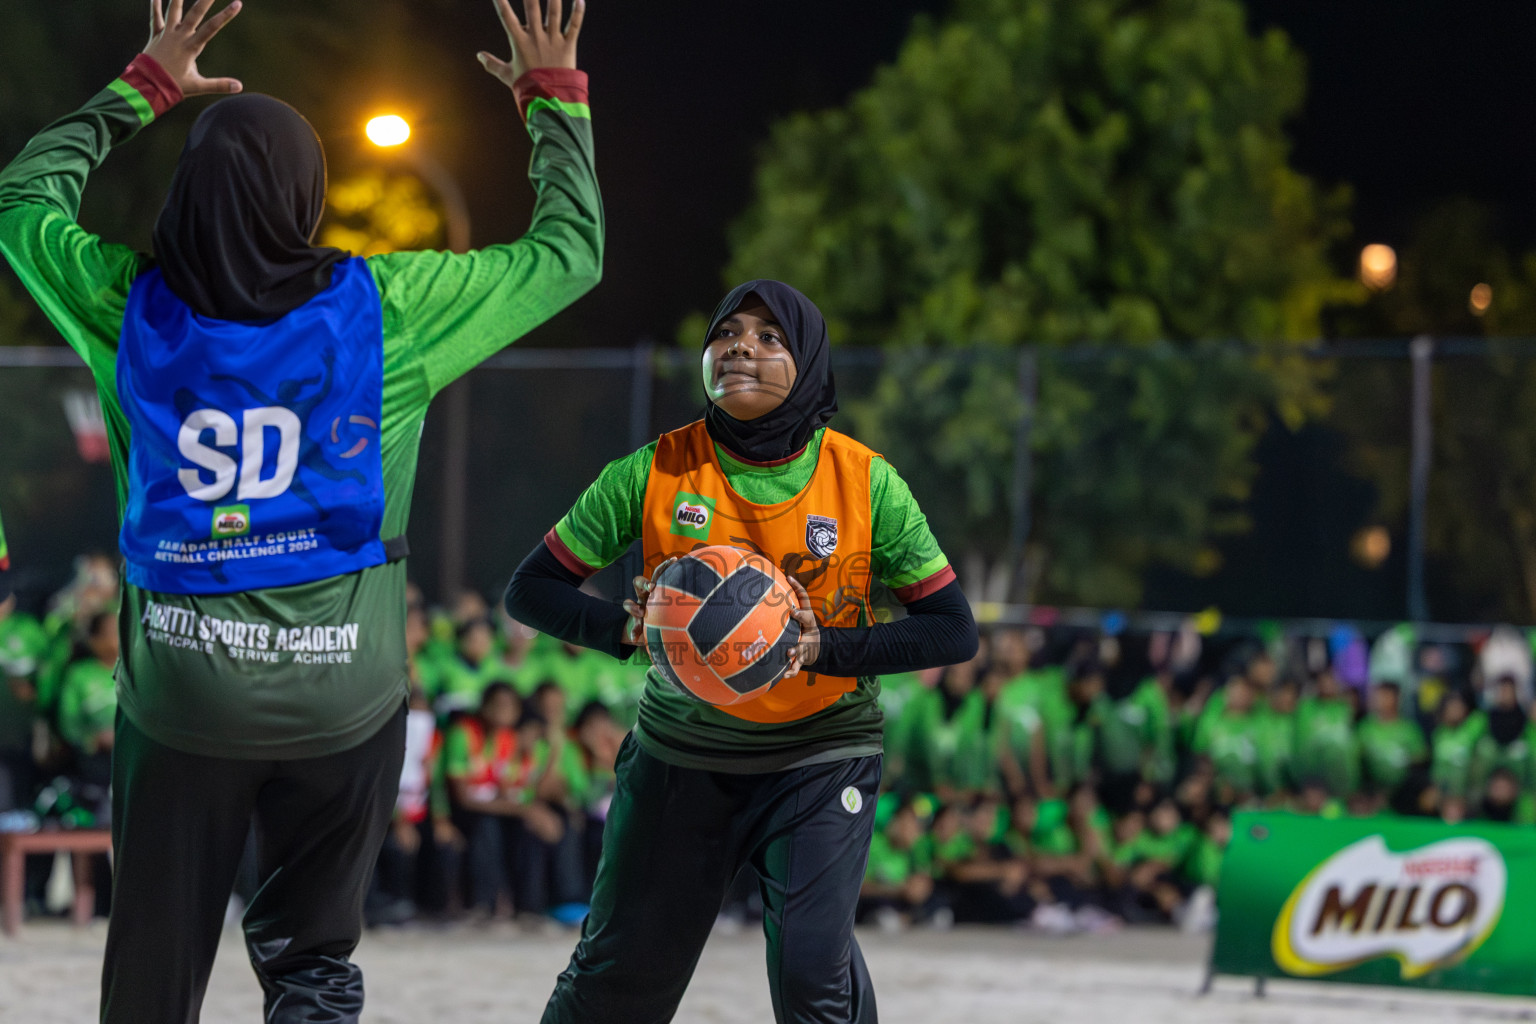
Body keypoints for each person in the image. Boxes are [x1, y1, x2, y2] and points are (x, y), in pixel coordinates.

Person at [0, 0, 598, 1017]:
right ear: (310, 196)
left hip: (184, 693)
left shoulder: (125, 305)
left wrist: (142, 84)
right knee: (313, 959)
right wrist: (556, 102)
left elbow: (19, 200)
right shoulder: (389, 310)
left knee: (154, 953)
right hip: (343, 695)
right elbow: (568, 255)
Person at [506, 279, 977, 1023]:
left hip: (821, 755)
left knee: (810, 976)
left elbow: (954, 627)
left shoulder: (864, 481)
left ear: (810, 361)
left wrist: (828, 646)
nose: (739, 348)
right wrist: (631, 631)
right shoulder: (654, 470)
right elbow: (530, 589)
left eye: (769, 337)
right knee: (619, 981)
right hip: (682, 756)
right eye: (726, 333)